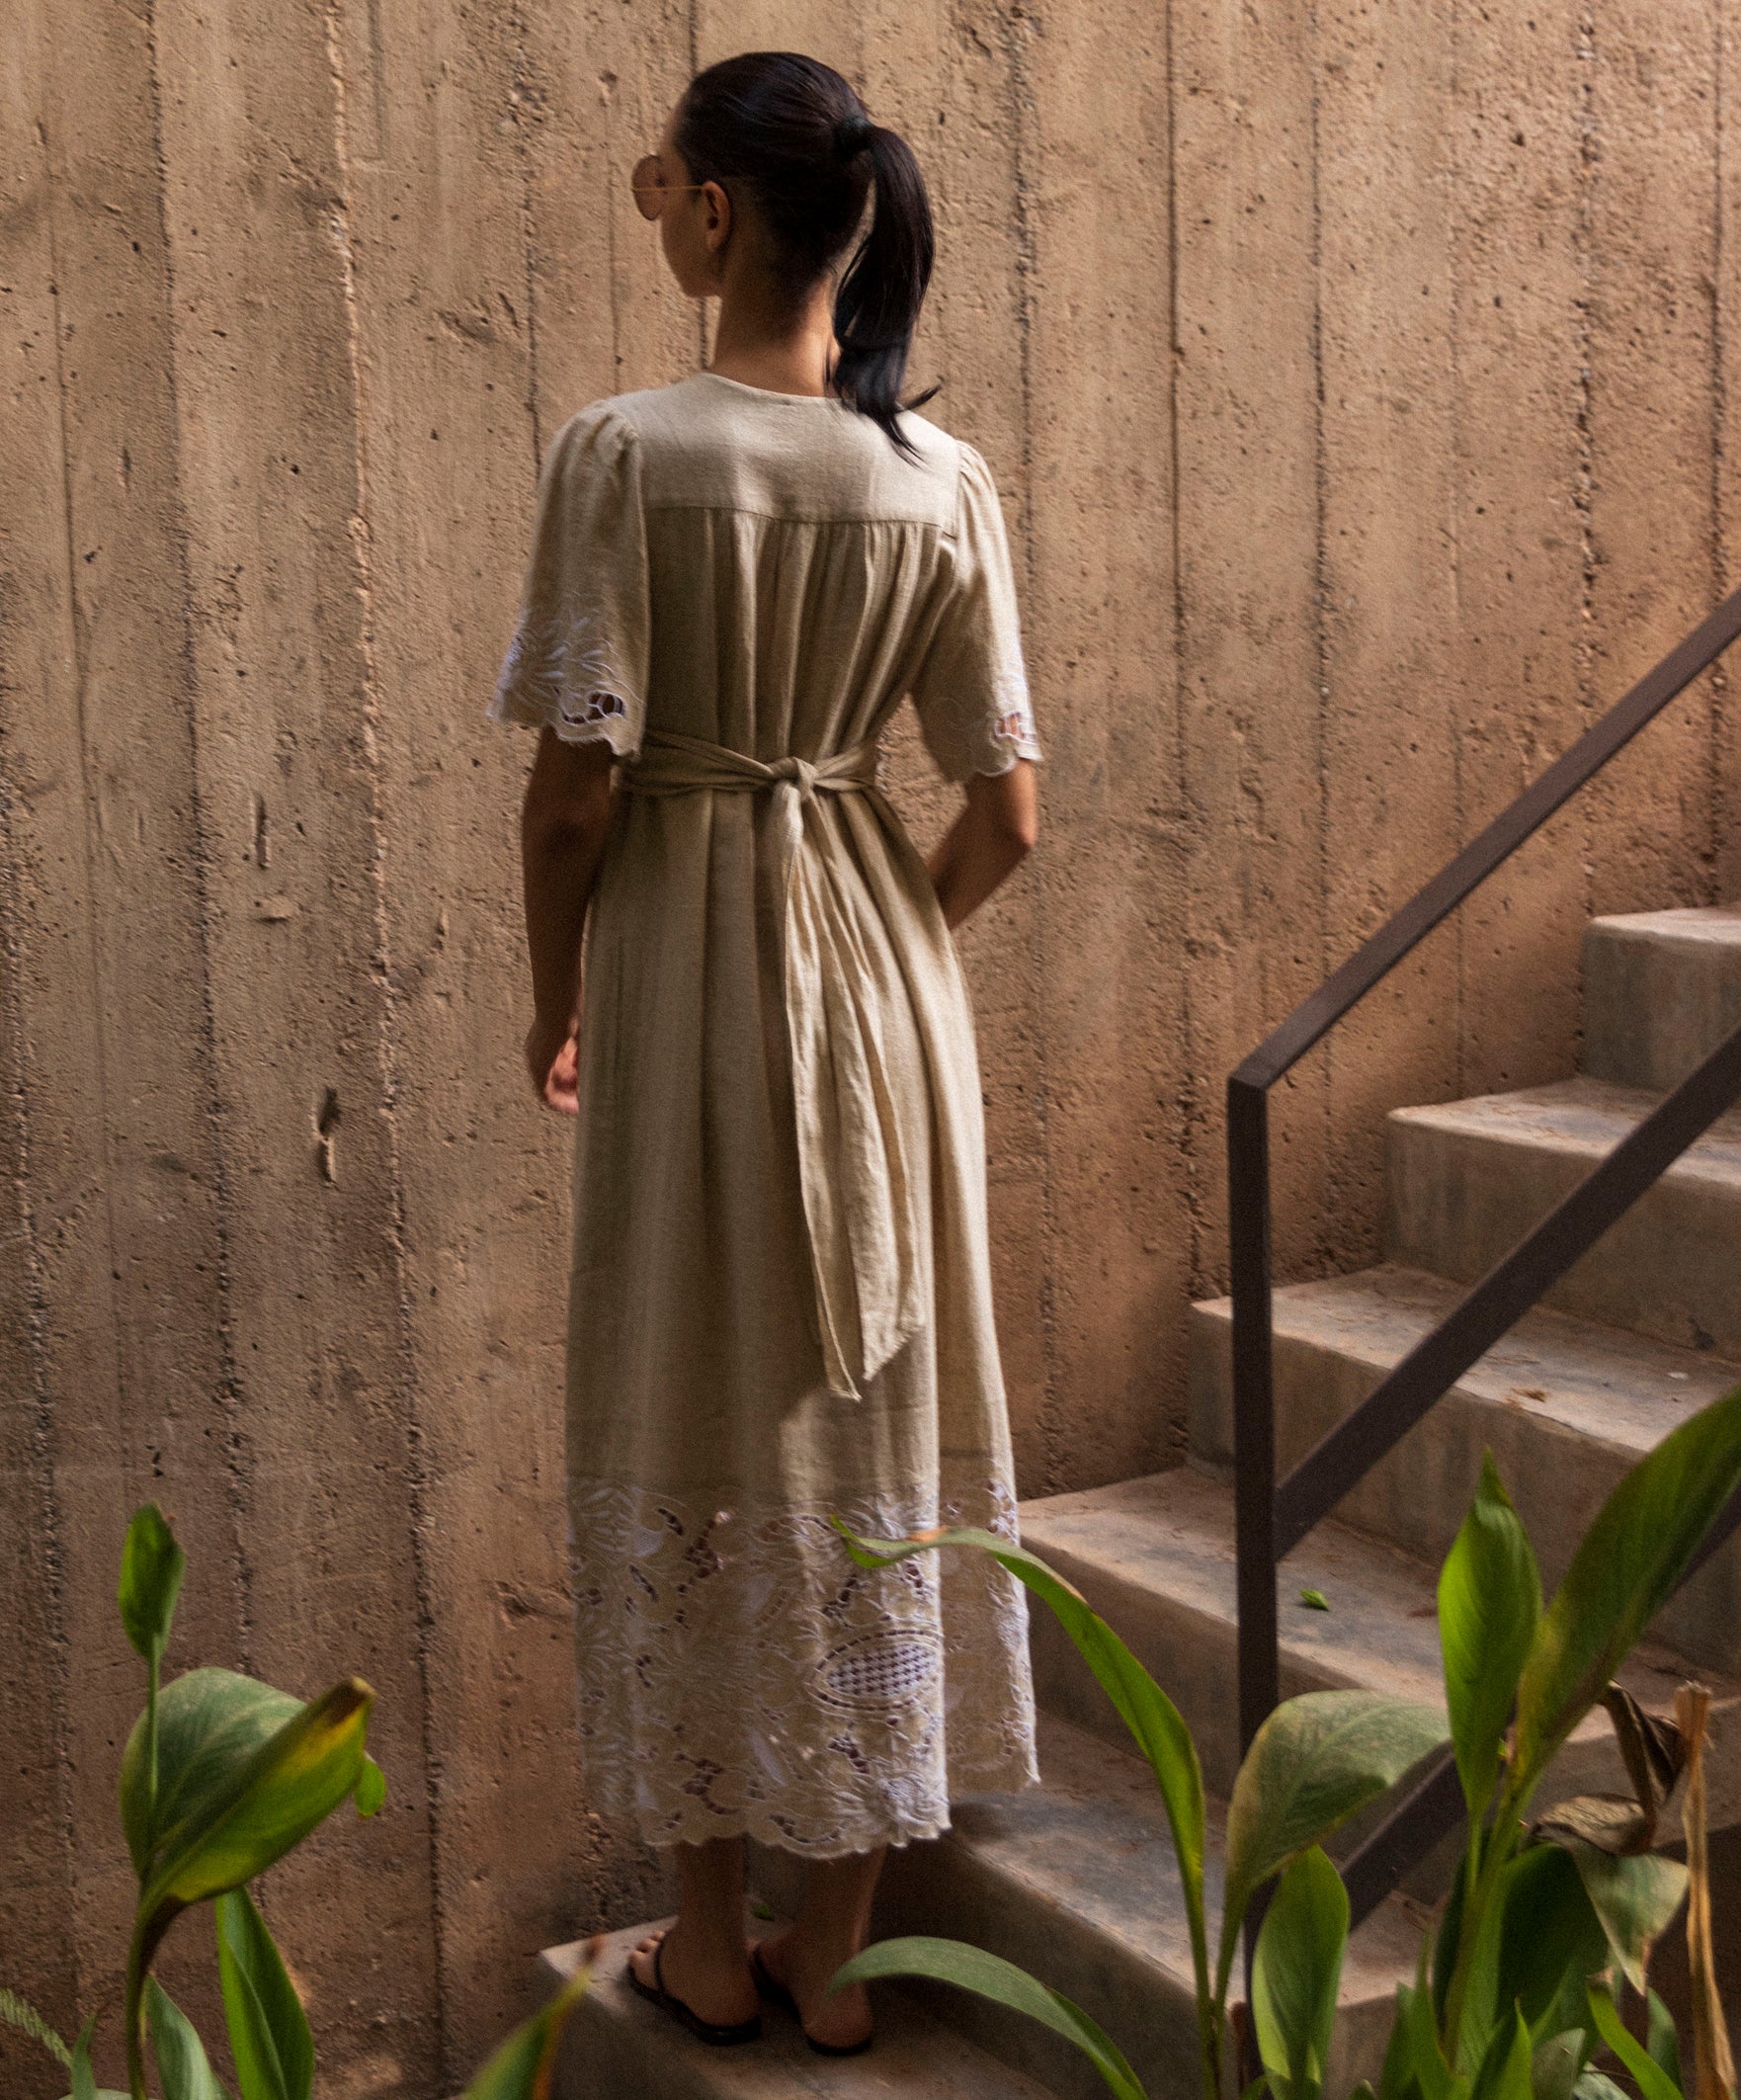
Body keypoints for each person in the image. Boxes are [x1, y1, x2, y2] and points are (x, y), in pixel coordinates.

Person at [489, 49, 1042, 2058]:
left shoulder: (627, 453)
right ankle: (838, 1951)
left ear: (714, 213)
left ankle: (708, 1941)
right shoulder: (940, 477)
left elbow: (573, 791)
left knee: (695, 1393)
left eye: (662, 178)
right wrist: (891, 942)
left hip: (684, 983)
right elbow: (1004, 809)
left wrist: (553, 994)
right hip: (884, 998)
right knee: (872, 1398)